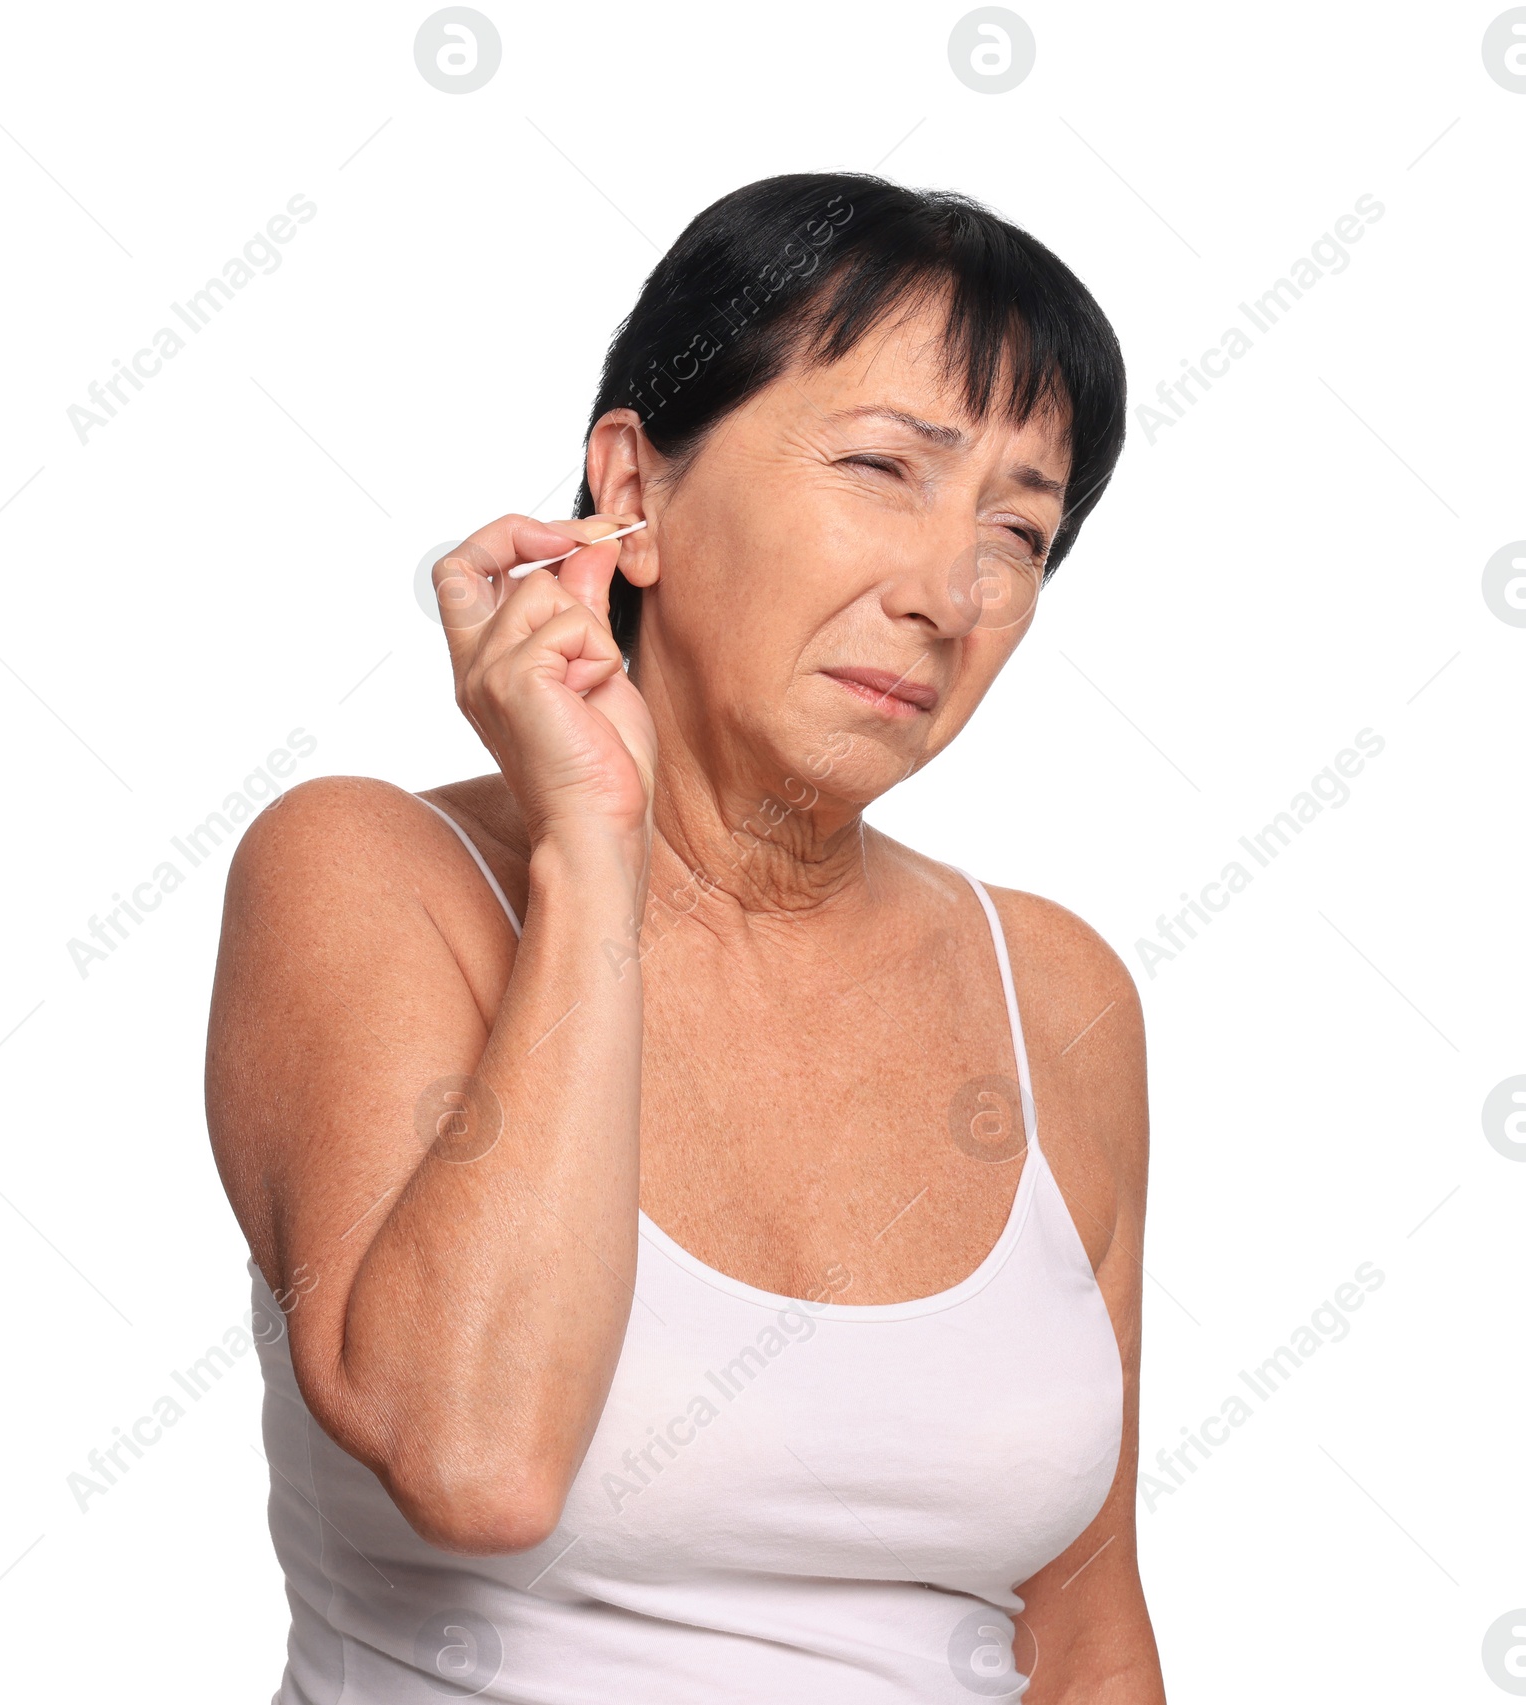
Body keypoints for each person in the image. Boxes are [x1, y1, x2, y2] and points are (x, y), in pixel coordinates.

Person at [207, 171, 1164, 1702]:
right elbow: (477, 1458)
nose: (945, 591)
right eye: (881, 468)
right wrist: (593, 847)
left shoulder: (1055, 992)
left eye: (1018, 531)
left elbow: (1090, 1639)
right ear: (632, 493)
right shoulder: (367, 872)